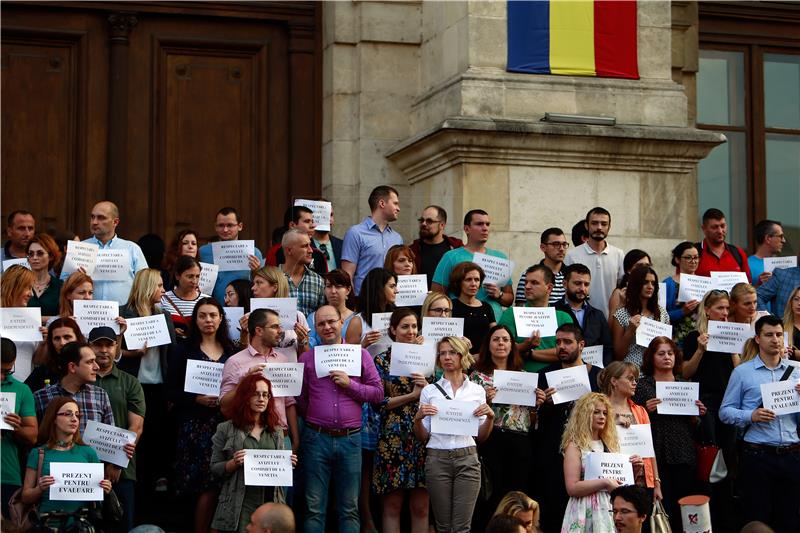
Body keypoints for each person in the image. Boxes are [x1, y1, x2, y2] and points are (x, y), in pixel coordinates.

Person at [297, 305, 384, 532]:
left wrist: (350, 385)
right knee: (314, 508)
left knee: (349, 508)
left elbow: (378, 393)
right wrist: (317, 419)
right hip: (316, 438)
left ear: (340, 323)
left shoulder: (360, 354)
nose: (327, 327)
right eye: (321, 324)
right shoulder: (307, 358)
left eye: (331, 322)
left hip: (350, 440)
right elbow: (302, 399)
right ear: (315, 328)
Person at [720, 315, 800, 532]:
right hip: (758, 455)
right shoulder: (742, 372)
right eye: (769, 335)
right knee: (757, 517)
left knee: (790, 519)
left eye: (778, 335)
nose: (775, 340)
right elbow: (724, 412)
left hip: (792, 453)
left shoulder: (796, 371)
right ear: (757, 338)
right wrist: (750, 416)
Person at [167, 298, 236, 533]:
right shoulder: (183, 350)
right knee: (199, 485)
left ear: (221, 319)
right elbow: (171, 390)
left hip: (224, 425)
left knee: (219, 484)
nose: (208, 320)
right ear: (195, 320)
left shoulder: (230, 350)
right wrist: (195, 398)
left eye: (213, 315)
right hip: (194, 425)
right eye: (203, 315)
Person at [413, 336, 494, 533]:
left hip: (467, 457)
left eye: (452, 352)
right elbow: (423, 436)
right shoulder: (430, 390)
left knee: (461, 527)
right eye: (442, 353)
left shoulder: (476, 390)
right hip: (437, 457)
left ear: (462, 355)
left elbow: (481, 437)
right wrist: (417, 418)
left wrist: (490, 418)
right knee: (443, 526)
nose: (447, 357)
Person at [533, 324, 602, 532]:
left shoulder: (597, 375)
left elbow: (606, 411)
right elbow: (533, 420)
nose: (561, 347)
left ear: (581, 345)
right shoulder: (544, 375)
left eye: (567, 342)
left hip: (589, 453)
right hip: (552, 452)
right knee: (553, 509)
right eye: (558, 342)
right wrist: (541, 404)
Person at [633, 337, 705, 531]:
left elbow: (695, 426)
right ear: (651, 357)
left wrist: (697, 414)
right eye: (661, 353)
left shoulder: (684, 384)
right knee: (662, 508)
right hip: (656, 454)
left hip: (683, 453)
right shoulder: (642, 385)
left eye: (670, 353)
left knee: (684, 506)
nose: (667, 357)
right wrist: (644, 410)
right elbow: (632, 421)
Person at [210, 374, 297, 533]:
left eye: (265, 394)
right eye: (256, 394)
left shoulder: (276, 431)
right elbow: (214, 469)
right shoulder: (226, 428)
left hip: (269, 505)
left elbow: (280, 473)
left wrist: (288, 463)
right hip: (237, 506)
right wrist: (233, 463)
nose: (261, 398)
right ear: (245, 396)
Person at [681, 289, 739, 529]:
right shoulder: (694, 336)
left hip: (730, 402)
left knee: (730, 457)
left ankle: (727, 517)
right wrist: (700, 350)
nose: (725, 313)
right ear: (707, 310)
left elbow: (739, 374)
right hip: (706, 403)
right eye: (720, 308)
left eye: (727, 309)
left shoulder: (734, 334)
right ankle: (707, 516)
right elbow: (685, 372)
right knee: (709, 460)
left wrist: (734, 349)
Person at [118, 268, 176, 500]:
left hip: (158, 387)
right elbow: (111, 353)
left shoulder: (164, 316)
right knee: (134, 439)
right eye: (160, 286)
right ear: (148, 287)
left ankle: (153, 490)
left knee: (156, 438)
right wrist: (130, 351)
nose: (163, 290)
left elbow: (171, 353)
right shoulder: (124, 313)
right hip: (133, 386)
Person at [469, 325, 533, 532]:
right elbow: (469, 412)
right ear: (488, 344)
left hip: (520, 440)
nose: (501, 344)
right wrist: (484, 399)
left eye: (505, 340)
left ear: (512, 345)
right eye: (496, 339)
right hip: (491, 439)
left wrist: (537, 403)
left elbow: (529, 415)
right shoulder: (476, 377)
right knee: (491, 494)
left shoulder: (524, 375)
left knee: (516, 494)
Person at [372, 308, 429, 533]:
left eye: (414, 326)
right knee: (393, 505)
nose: (411, 331)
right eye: (405, 326)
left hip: (423, 436)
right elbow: (378, 402)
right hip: (392, 436)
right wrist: (412, 396)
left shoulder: (427, 359)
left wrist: (425, 388)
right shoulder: (382, 360)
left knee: (421, 506)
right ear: (393, 330)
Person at [220, 309, 299, 452]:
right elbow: (224, 406)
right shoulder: (235, 362)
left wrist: (295, 438)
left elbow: (289, 403)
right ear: (259, 330)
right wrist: (245, 381)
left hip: (281, 437)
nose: (280, 331)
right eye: (275, 326)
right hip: (246, 439)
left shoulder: (283, 361)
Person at [90, 326, 144, 533]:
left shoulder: (130, 382)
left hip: (120, 472)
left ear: (116, 347)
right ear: (89, 346)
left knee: (120, 526)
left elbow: (136, 427)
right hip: (84, 468)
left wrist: (116, 462)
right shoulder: (81, 380)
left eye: (109, 345)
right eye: (98, 345)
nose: (103, 350)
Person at [20, 397, 112, 515]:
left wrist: (106, 488)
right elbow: (25, 497)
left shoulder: (89, 452)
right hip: (48, 524)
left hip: (82, 525)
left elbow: (98, 495)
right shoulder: (38, 453)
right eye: (68, 414)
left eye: (77, 415)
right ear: (53, 418)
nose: (74, 419)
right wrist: (39, 489)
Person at [432, 209, 513, 321]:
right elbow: (436, 295)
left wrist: (499, 294)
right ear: (467, 229)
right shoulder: (451, 257)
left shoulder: (500, 257)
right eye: (479, 224)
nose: (485, 228)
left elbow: (509, 299)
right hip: (460, 320)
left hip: (493, 324)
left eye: (487, 224)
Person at [61, 201, 148, 304]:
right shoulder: (80, 248)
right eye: (92, 217)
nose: (94, 222)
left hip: (124, 315)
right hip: (88, 312)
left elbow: (145, 284)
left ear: (115, 222)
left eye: (101, 218)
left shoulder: (132, 249)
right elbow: (64, 285)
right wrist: (76, 278)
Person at [598, 362, 662, 501]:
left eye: (636, 380)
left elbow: (649, 450)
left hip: (643, 482)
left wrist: (656, 482)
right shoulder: (599, 408)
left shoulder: (640, 410)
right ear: (614, 381)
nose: (634, 383)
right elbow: (589, 436)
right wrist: (611, 421)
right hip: (614, 479)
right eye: (630, 378)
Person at [559, 392, 622, 532]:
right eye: (596, 412)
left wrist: (634, 469)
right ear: (584, 414)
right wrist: (604, 482)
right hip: (584, 508)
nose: (602, 417)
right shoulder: (574, 446)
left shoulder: (610, 444)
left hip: (609, 507)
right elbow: (572, 487)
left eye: (605, 413)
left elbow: (620, 482)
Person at [499, 264, 574, 371]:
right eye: (526, 283)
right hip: (518, 379)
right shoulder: (511, 313)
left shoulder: (563, 317)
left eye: (534, 283)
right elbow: (500, 347)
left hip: (554, 380)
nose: (527, 286)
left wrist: (529, 353)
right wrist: (525, 346)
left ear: (549, 288)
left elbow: (568, 352)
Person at [33, 341, 114, 431]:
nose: (97, 367)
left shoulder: (100, 395)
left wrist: (123, 444)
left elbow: (109, 438)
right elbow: (36, 438)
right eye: (90, 362)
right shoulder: (41, 397)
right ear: (72, 367)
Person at [563, 207, 625, 318]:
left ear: (609, 227)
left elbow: (622, 290)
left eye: (604, 224)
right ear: (587, 226)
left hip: (611, 320)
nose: (599, 227)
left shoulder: (619, 254)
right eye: (594, 223)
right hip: (580, 319)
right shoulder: (572, 255)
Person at [341, 185, 403, 295]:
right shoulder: (355, 233)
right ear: (382, 203)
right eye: (395, 203)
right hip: (364, 302)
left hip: (391, 302)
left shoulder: (397, 238)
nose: (398, 208)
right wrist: (354, 305)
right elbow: (347, 275)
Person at [1, 338, 38, 519]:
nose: (2, 377)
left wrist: (15, 428)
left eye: (7, 371)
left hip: (6, 475)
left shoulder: (21, 390)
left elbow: (32, 436)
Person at [198, 207, 264, 303]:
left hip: (244, 307)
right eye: (221, 225)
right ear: (215, 227)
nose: (225, 230)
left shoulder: (254, 253)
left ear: (240, 226)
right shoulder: (203, 252)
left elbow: (263, 287)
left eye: (230, 225)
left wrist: (257, 272)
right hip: (212, 308)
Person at [554, 263, 614, 366]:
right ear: (564, 284)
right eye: (577, 283)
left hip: (594, 373)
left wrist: (602, 371)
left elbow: (608, 348)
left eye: (586, 284)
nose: (582, 288)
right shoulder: (554, 311)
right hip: (562, 373)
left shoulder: (597, 315)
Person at [610, 265, 669, 366]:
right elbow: (618, 355)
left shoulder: (662, 313)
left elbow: (668, 348)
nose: (650, 286)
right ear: (636, 284)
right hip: (632, 372)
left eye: (653, 283)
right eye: (645, 282)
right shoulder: (622, 314)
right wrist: (630, 330)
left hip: (657, 371)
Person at [247, 265, 311, 355]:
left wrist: (302, 341)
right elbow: (245, 354)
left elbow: (305, 357)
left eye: (259, 283)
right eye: (254, 283)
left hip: (291, 369)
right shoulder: (249, 317)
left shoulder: (297, 317)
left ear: (275, 287)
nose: (253, 288)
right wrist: (244, 334)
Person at [26, 317, 87, 394]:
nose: (62, 343)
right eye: (57, 338)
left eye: (67, 337)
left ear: (77, 338)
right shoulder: (43, 371)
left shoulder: (91, 368)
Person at [345, 267, 398, 356]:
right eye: (392, 286)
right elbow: (348, 358)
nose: (396, 291)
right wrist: (363, 344)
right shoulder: (357, 321)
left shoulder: (396, 315)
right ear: (379, 288)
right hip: (369, 368)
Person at [1, 265, 40, 380]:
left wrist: (44, 343)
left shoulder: (33, 320)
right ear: (14, 286)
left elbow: (36, 360)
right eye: (27, 288)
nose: (31, 294)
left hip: (24, 390)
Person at [408, 205, 463, 287]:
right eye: (422, 220)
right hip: (421, 299)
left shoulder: (456, 248)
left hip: (449, 298)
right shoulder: (412, 250)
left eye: (429, 221)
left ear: (442, 225)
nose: (423, 224)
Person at [449, 262, 496, 355]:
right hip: (459, 358)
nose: (473, 284)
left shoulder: (486, 307)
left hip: (484, 359)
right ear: (459, 282)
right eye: (468, 279)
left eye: (477, 280)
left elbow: (495, 333)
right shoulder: (450, 306)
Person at [266, 205, 328, 274]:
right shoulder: (275, 252)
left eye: (312, 221)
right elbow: (270, 280)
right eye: (307, 221)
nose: (313, 225)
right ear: (292, 225)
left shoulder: (318, 255)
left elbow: (324, 282)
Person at [694, 208, 752, 281]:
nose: (720, 231)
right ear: (704, 229)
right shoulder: (693, 253)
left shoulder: (738, 253)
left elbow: (748, 285)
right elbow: (683, 283)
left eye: (723, 226)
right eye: (715, 227)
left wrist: (761, 283)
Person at [514, 227, 568, 306]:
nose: (562, 249)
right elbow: (520, 308)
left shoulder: (571, 275)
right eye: (556, 244)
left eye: (564, 244)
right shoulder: (528, 275)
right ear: (543, 247)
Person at [278, 229, 326, 316]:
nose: (311, 250)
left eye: (310, 245)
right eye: (305, 246)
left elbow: (321, 317)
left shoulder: (318, 280)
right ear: (289, 250)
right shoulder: (272, 279)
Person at [160, 256, 210, 338]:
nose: (194, 281)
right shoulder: (163, 299)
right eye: (190, 276)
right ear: (177, 276)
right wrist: (171, 331)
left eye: (197, 276)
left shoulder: (206, 300)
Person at [663, 241, 702, 347]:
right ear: (677, 260)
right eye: (688, 257)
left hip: (701, 338)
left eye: (696, 257)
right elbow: (661, 315)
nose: (693, 261)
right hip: (677, 339)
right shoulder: (668, 284)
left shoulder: (704, 282)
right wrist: (682, 311)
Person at [307, 269, 356, 348]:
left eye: (338, 286)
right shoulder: (313, 318)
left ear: (348, 290)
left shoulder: (356, 319)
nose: (333, 291)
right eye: (329, 286)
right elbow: (309, 347)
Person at [25, 233, 63, 318]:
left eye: (40, 253)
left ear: (51, 256)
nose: (34, 257)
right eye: (31, 254)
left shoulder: (61, 286)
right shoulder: (20, 285)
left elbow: (65, 316)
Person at [607, 250, 652, 318]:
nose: (644, 269)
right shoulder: (619, 293)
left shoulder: (651, 290)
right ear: (628, 270)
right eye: (639, 266)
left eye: (647, 266)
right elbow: (610, 325)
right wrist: (621, 305)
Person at [748, 220, 785, 287]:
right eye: (781, 236)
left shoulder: (783, 264)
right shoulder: (747, 264)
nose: (783, 241)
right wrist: (758, 284)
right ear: (768, 238)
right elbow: (742, 295)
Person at [311, 200, 343, 273]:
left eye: (331, 215)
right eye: (324, 215)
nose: (330, 219)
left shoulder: (342, 245)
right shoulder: (305, 245)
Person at [782, 286, 800, 360]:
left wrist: (794, 353)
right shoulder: (781, 326)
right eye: (796, 299)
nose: (799, 303)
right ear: (791, 302)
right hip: (789, 370)